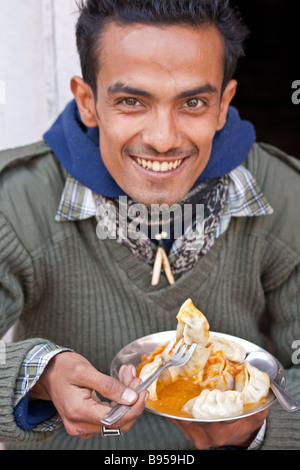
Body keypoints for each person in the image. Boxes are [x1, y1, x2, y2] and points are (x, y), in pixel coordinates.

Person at [0, 0, 299, 451]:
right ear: (87, 102)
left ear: (223, 105)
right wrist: (34, 375)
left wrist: (259, 425)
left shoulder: (284, 193)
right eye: (131, 101)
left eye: (194, 102)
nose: (163, 139)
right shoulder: (15, 200)